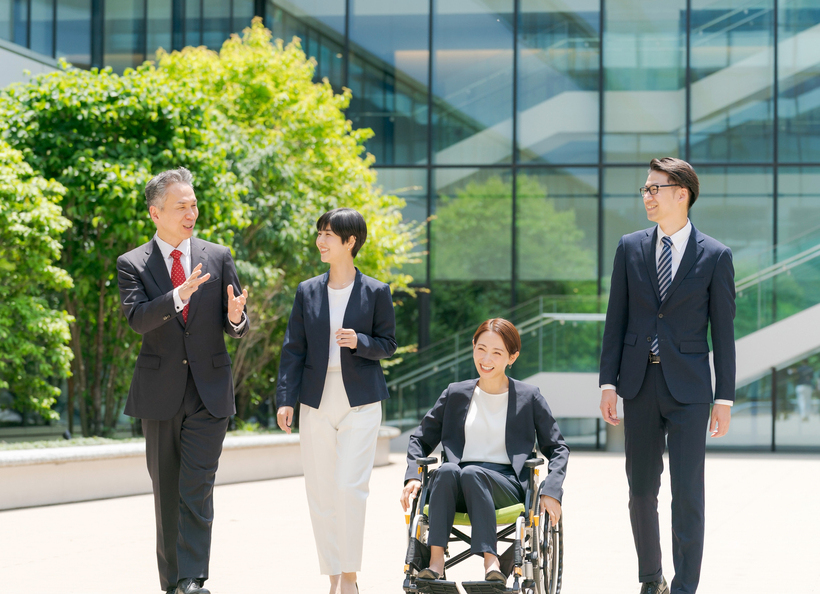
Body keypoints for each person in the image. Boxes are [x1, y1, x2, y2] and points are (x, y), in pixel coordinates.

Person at [599, 157, 736, 594]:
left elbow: (724, 333)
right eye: (644, 189)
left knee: (688, 495)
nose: (647, 196)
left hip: (691, 391)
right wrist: (608, 383)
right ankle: (651, 577)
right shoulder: (629, 247)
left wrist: (724, 398)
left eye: (655, 188)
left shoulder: (715, 256)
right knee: (640, 492)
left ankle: (684, 588)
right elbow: (615, 321)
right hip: (638, 385)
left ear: (683, 193)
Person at [117, 167, 250, 594]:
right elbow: (138, 319)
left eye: (194, 204)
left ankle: (193, 580)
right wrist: (178, 296)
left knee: (197, 487)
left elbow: (237, 321)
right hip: (158, 395)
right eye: (181, 206)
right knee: (167, 491)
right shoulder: (132, 264)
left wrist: (236, 319)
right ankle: (172, 582)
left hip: (209, 393)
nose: (191, 212)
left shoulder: (217, 255)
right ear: (156, 213)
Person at [275, 207, 397, 594]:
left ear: (350, 242)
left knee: (349, 487)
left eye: (329, 235)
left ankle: (350, 577)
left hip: (360, 401)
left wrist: (359, 342)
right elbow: (292, 349)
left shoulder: (376, 291)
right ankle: (333, 579)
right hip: (315, 400)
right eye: (319, 233)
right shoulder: (307, 290)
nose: (321, 241)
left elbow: (388, 344)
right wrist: (286, 399)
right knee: (321, 492)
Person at [401, 318, 569, 585]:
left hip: (504, 485)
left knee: (472, 473)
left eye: (497, 352)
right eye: (481, 349)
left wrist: (551, 490)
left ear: (512, 357)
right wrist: (412, 476)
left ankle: (492, 563)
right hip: (453, 486)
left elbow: (557, 447)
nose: (486, 358)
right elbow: (419, 439)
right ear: (473, 347)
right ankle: (435, 562)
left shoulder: (529, 396)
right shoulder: (455, 393)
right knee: (446, 469)